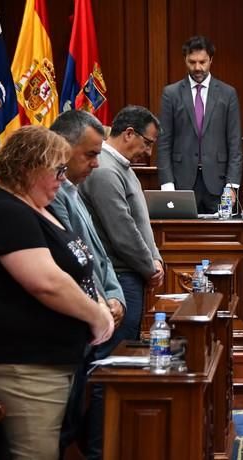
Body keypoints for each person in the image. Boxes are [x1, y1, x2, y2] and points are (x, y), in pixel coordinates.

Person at [0, 126, 114, 460]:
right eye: (57, 170)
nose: (63, 178)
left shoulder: (39, 207)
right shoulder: (4, 209)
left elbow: (79, 266)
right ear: (29, 167)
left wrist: (98, 300)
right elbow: (46, 282)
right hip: (26, 369)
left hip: (57, 362)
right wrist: (97, 315)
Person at [48, 110, 126, 458]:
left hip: (97, 311)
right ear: (63, 148)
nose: (97, 163)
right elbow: (75, 260)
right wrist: (99, 302)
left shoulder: (73, 189)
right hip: (72, 325)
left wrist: (114, 295)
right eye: (91, 154)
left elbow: (100, 256)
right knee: (63, 427)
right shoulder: (52, 196)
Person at [80, 105, 164, 347]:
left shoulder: (122, 167)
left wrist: (155, 259)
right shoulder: (106, 170)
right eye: (147, 143)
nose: (148, 152)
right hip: (118, 277)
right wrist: (150, 266)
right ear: (129, 133)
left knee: (125, 352)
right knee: (114, 358)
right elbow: (123, 232)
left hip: (129, 273)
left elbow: (141, 222)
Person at [157, 35, 243, 213]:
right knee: (181, 238)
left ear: (211, 60)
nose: (197, 67)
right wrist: (167, 185)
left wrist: (231, 184)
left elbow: (235, 143)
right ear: (185, 60)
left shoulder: (227, 94)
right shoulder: (171, 94)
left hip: (219, 184)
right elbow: (164, 142)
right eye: (192, 62)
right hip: (181, 183)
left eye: (202, 62)